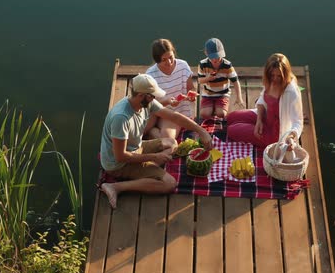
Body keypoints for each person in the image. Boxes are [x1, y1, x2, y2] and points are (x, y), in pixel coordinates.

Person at [99, 73, 213, 209]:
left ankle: (149, 167)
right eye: (152, 95)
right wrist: (155, 156)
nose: (155, 98)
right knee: (169, 183)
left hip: (136, 148)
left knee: (171, 143)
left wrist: (201, 131)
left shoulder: (146, 102)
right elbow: (120, 156)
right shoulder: (121, 118)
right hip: (118, 164)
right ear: (141, 95)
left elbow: (174, 117)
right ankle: (115, 187)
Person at [227, 53, 303, 148]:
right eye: (272, 75)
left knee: (230, 130)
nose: (275, 79)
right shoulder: (269, 81)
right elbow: (262, 101)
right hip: (264, 117)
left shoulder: (291, 92)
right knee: (230, 118)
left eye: (279, 76)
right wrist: (259, 121)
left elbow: (298, 122)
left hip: (275, 133)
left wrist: (291, 136)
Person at [144, 38, 195, 139]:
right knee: (136, 133)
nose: (169, 62)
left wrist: (192, 96)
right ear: (156, 59)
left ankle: (152, 132)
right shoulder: (150, 74)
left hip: (177, 113)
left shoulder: (183, 66)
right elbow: (151, 104)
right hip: (158, 110)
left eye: (171, 57)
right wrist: (167, 101)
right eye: (164, 60)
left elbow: (191, 88)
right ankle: (151, 129)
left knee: (168, 140)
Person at [197, 38, 244, 120]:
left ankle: (219, 107)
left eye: (217, 57)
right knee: (204, 114)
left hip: (222, 94)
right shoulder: (202, 64)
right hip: (208, 94)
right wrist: (207, 78)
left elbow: (235, 81)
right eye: (212, 57)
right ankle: (212, 108)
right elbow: (200, 80)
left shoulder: (227, 65)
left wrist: (239, 97)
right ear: (206, 53)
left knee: (221, 114)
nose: (215, 60)